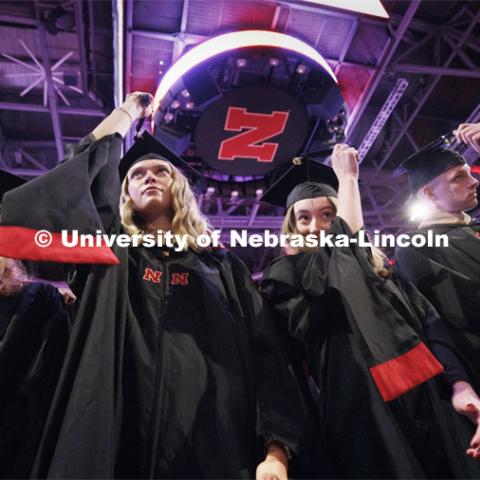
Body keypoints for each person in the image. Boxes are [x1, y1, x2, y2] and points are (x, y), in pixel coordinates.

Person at [0, 93, 309, 479]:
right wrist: (127, 112)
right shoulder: (109, 254)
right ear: (123, 192)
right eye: (136, 174)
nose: (148, 176)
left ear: (179, 185)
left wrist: (276, 450)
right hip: (113, 441)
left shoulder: (222, 268)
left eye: (160, 171)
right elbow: (82, 171)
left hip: (214, 448)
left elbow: (267, 356)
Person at [260, 144, 480, 477]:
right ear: (292, 227)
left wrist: (460, 384)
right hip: (363, 414)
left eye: (327, 215)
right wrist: (347, 180)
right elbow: (342, 264)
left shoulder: (385, 272)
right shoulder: (285, 277)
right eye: (303, 218)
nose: (316, 226)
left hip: (429, 400)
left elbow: (431, 326)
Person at [394, 124, 480, 437]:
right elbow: (433, 322)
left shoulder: (474, 229)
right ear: (429, 193)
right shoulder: (419, 247)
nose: (473, 181)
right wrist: (459, 383)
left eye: (470, 171)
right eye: (459, 176)